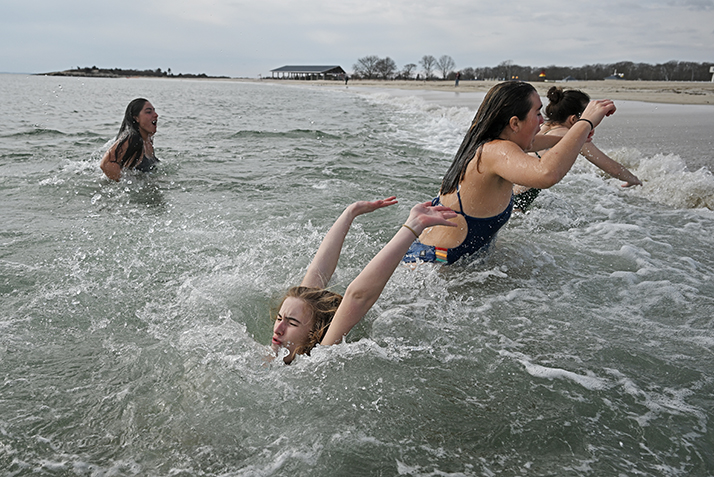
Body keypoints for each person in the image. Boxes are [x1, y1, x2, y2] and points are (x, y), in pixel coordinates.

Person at [403, 81, 617, 264]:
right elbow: (546, 174)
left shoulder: (488, 142)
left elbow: (538, 142)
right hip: (434, 263)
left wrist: (573, 135)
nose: (542, 120)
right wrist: (585, 122)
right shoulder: (496, 151)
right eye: (537, 113)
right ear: (514, 123)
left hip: (442, 256)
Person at [271, 197, 457, 364]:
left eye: (291, 323)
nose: (278, 328)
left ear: (315, 334)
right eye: (280, 318)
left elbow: (358, 296)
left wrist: (413, 226)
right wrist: (350, 212)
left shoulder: (318, 357)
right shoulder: (274, 352)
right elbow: (316, 274)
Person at [512, 86, 641, 211]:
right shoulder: (571, 136)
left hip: (511, 193)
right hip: (519, 201)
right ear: (574, 119)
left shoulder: (546, 127)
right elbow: (611, 167)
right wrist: (633, 180)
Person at [100, 98, 160, 181]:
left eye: (154, 111)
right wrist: (127, 184)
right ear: (136, 118)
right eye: (149, 112)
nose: (156, 115)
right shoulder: (132, 139)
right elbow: (105, 164)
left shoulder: (148, 140)